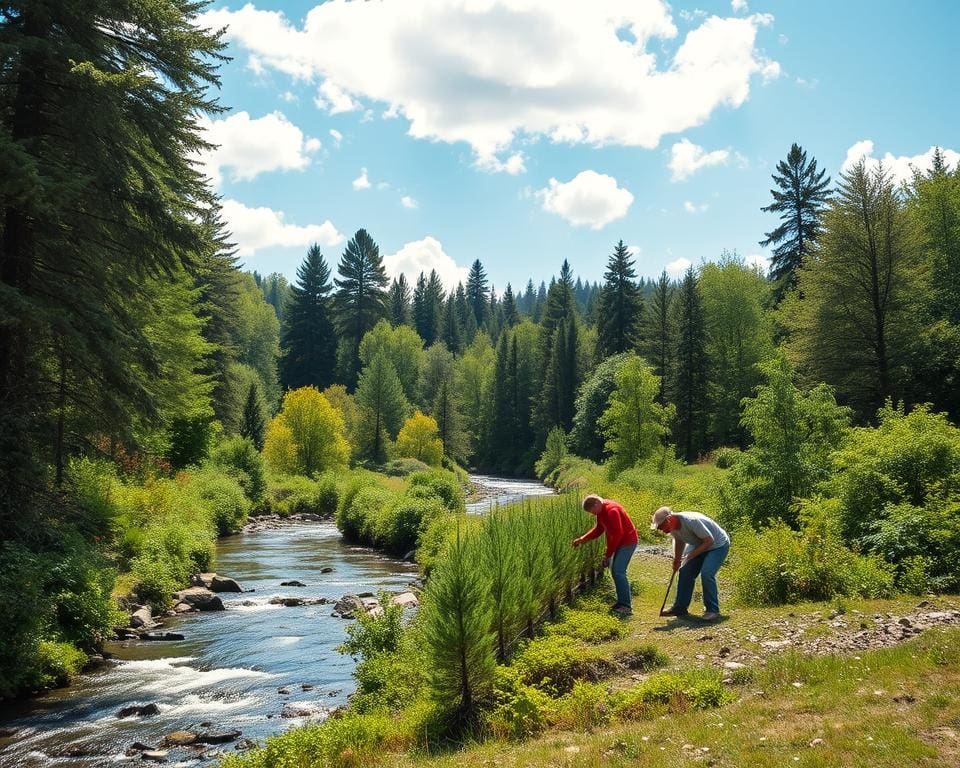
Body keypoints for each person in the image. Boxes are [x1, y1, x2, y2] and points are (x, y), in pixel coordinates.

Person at [651, 506, 730, 621]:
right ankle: (680, 608)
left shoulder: (691, 521)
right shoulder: (673, 527)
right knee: (685, 571)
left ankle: (712, 610)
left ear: (669, 519)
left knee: (707, 573)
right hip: (699, 543)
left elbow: (709, 541)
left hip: (718, 545)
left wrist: (690, 555)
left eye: (661, 526)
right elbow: (679, 541)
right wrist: (677, 560)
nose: (661, 530)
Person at [572, 494, 638, 616]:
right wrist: (582, 539)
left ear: (597, 503)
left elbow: (618, 534)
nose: (593, 514)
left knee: (618, 572)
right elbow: (598, 530)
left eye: (592, 511)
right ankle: (621, 602)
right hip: (619, 543)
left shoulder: (612, 510)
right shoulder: (601, 512)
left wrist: (608, 555)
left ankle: (626, 606)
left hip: (628, 542)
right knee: (615, 571)